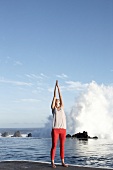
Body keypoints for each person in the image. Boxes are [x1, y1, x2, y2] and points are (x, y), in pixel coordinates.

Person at [50, 80, 68, 168]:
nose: (58, 101)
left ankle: (62, 162)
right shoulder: (54, 109)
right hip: (55, 129)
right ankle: (52, 162)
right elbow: (55, 96)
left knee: (62, 146)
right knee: (54, 145)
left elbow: (60, 96)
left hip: (63, 129)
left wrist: (59, 88)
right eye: (56, 101)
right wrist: (55, 87)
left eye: (58, 101)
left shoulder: (62, 107)